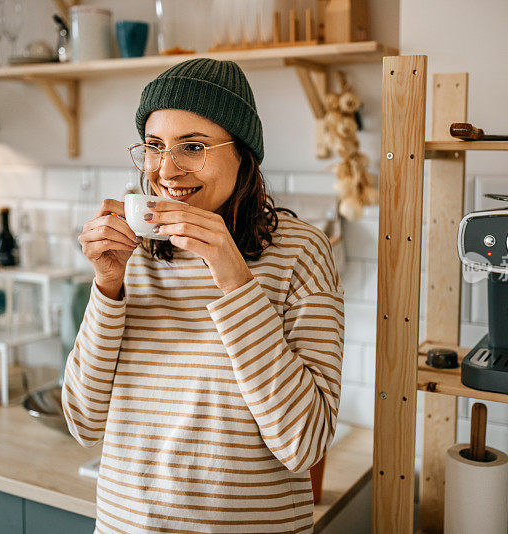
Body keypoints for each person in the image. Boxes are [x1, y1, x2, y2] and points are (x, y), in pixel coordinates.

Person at [62, 58, 344, 534]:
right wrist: (108, 286)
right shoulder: (134, 252)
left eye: (192, 146)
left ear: (243, 154)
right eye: (154, 146)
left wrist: (235, 280)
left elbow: (304, 444)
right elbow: (83, 424)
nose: (166, 171)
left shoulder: (301, 251)